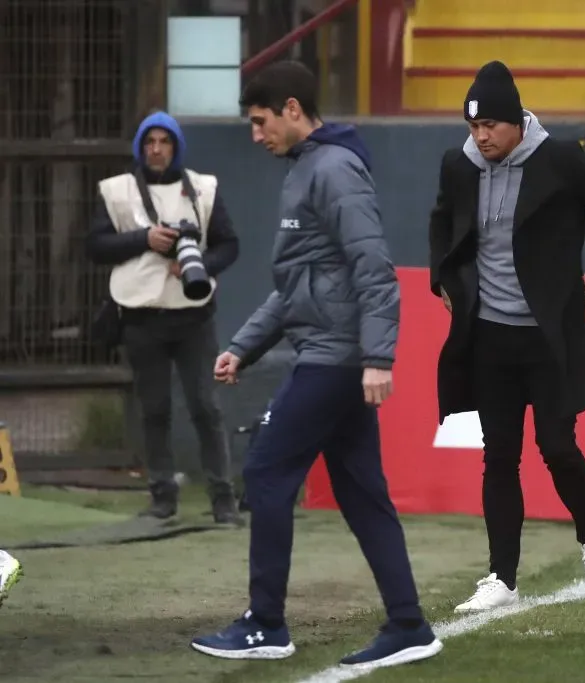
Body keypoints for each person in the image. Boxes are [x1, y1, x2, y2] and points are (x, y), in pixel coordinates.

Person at [190, 60, 442, 670]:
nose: (255, 135)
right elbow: (297, 282)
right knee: (363, 496)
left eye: (260, 122)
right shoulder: (309, 168)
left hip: (335, 359)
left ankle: (266, 624)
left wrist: (378, 357)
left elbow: (374, 268)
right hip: (332, 354)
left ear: (293, 111)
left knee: (267, 472)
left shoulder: (333, 169)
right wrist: (244, 346)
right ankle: (408, 624)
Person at [429, 60, 585, 612]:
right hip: (489, 337)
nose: (482, 137)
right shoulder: (459, 164)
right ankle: (502, 577)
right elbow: (441, 220)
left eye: (491, 127)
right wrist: (441, 280)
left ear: (517, 121)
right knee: (498, 456)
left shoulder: (561, 160)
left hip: (550, 337)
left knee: (557, 447)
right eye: (474, 127)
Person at [85, 111, 242, 524]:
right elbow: (95, 245)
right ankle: (161, 498)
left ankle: (222, 500)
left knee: (206, 408)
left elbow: (229, 245)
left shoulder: (204, 189)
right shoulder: (116, 191)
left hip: (193, 315)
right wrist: (145, 239)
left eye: (164, 141)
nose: (156, 149)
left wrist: (200, 265)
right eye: (149, 141)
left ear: (176, 146)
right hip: (140, 315)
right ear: (140, 146)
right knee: (153, 410)